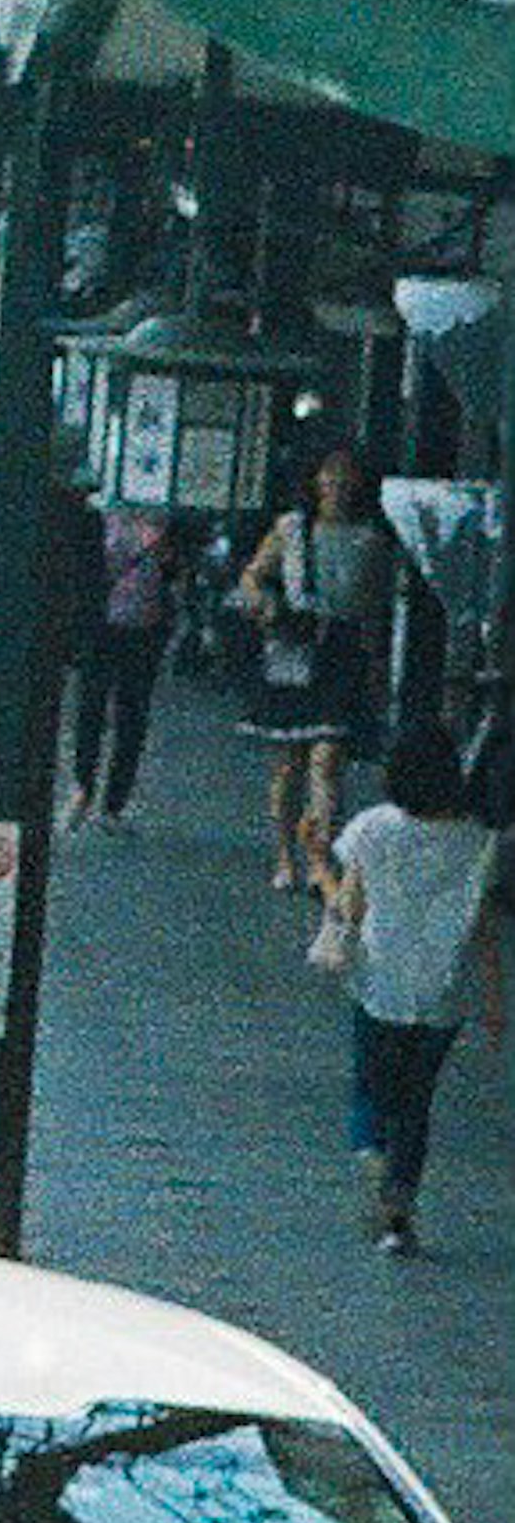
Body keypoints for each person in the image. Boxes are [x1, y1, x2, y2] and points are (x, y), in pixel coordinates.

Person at [313, 700, 505, 1257]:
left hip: (380, 978)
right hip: (443, 989)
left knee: (369, 1089)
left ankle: (370, 1156)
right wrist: (494, 999)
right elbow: (482, 929)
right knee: (417, 1103)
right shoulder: (475, 841)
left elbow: (348, 908)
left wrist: (319, 866)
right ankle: (400, 1212)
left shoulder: (371, 830)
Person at [242, 444, 401, 886]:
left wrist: (377, 667)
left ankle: (319, 858)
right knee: (289, 763)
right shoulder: (290, 530)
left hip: (343, 651)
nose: (338, 483)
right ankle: (284, 854)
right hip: (295, 648)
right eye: (330, 474)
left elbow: (376, 611)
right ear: (314, 480)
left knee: (328, 758)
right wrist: (264, 603)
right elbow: (254, 574)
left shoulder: (373, 540)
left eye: (347, 475)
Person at [67, 485, 180, 832]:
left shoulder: (164, 518)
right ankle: (82, 785)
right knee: (91, 707)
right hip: (103, 625)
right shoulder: (101, 516)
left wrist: (166, 555)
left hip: (145, 627)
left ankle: (114, 802)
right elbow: (86, 569)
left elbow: (175, 572)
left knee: (132, 713)